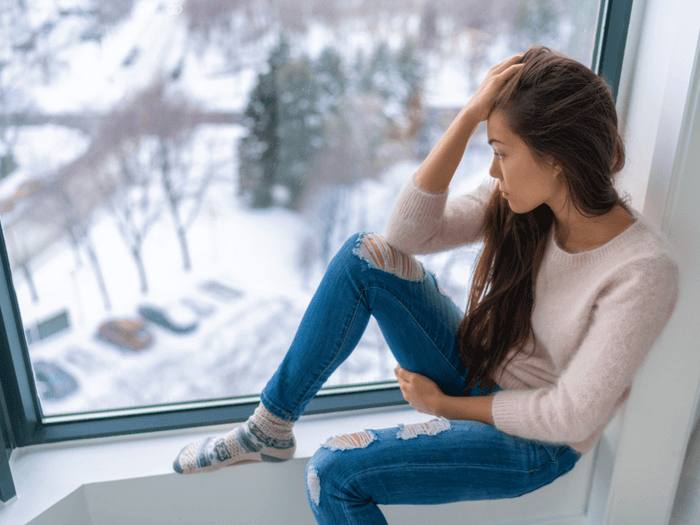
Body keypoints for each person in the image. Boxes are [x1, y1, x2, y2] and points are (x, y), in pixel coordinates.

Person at [171, 45, 680, 524]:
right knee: (362, 256)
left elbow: (568, 417)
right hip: (481, 367)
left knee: (332, 472)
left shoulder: (641, 271)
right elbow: (406, 235)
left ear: (557, 160)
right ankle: (269, 427)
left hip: (533, 440)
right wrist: (467, 117)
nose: (491, 168)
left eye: (501, 152)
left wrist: (445, 408)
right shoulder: (522, 199)